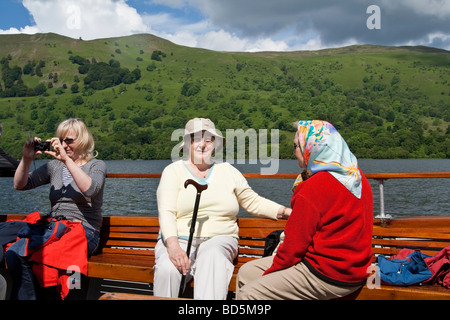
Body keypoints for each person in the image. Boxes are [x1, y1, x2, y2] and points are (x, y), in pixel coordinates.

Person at [154, 118, 291, 300]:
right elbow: (167, 212)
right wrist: (173, 247)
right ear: (187, 144)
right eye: (196, 138)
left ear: (215, 144)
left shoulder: (228, 171)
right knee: (167, 268)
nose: (202, 144)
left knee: (212, 257)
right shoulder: (173, 171)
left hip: (219, 239)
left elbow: (253, 202)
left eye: (208, 139)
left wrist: (287, 212)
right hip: (177, 239)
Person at [236, 120, 373, 300]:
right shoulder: (356, 177)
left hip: (325, 273)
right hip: (354, 269)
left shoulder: (312, 188)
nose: (293, 152)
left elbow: (293, 247)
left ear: (312, 147)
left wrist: (271, 273)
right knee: (246, 272)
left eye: (296, 146)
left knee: (250, 294)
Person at [6, 118, 106, 299]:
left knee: (53, 258)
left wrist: (67, 160)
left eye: (69, 140)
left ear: (82, 139)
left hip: (84, 231)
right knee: (14, 252)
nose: (64, 145)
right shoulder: (54, 166)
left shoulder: (96, 165)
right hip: (54, 229)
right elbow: (20, 185)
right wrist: (26, 159)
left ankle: (70, 294)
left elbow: (90, 189)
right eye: (61, 140)